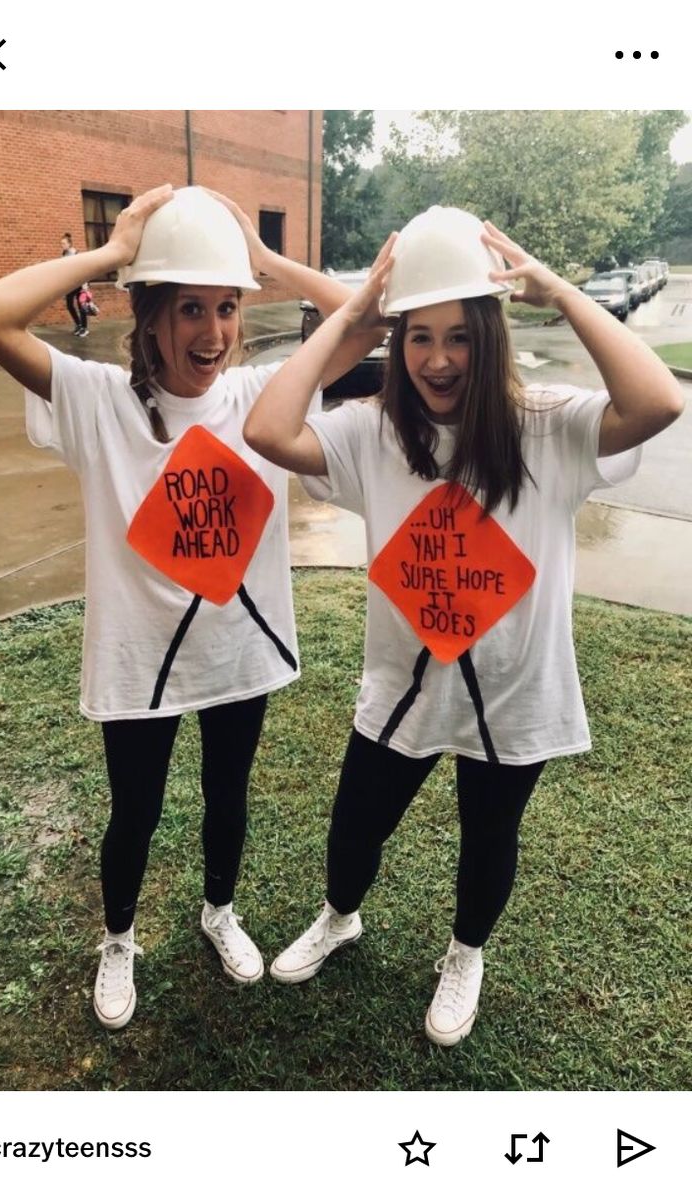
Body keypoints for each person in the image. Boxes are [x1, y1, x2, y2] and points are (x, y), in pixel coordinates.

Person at [242, 206, 684, 1047]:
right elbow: (267, 428)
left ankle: (465, 951)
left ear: (493, 334)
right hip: (402, 692)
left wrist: (552, 286)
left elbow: (660, 398)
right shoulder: (375, 432)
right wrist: (359, 306)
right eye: (417, 336)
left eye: (460, 336)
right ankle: (341, 918)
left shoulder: (548, 427)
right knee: (353, 829)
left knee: (489, 838)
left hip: (517, 697)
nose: (438, 359)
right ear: (396, 343)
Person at [0, 185, 381, 1031]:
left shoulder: (263, 394)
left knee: (229, 794)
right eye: (190, 307)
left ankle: (217, 911)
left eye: (227, 307)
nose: (215, 332)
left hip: (236, 651)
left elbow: (368, 324)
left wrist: (264, 264)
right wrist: (113, 256)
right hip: (138, 658)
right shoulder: (95, 399)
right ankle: (119, 939)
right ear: (148, 314)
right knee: (137, 810)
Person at [60, 233, 89, 338]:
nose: (62, 245)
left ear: (69, 244)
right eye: (61, 243)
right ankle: (78, 324)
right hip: (70, 284)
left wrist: (85, 286)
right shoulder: (64, 254)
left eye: (63, 243)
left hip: (79, 284)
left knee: (81, 306)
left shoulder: (76, 254)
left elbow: (83, 270)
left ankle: (84, 328)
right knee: (69, 305)